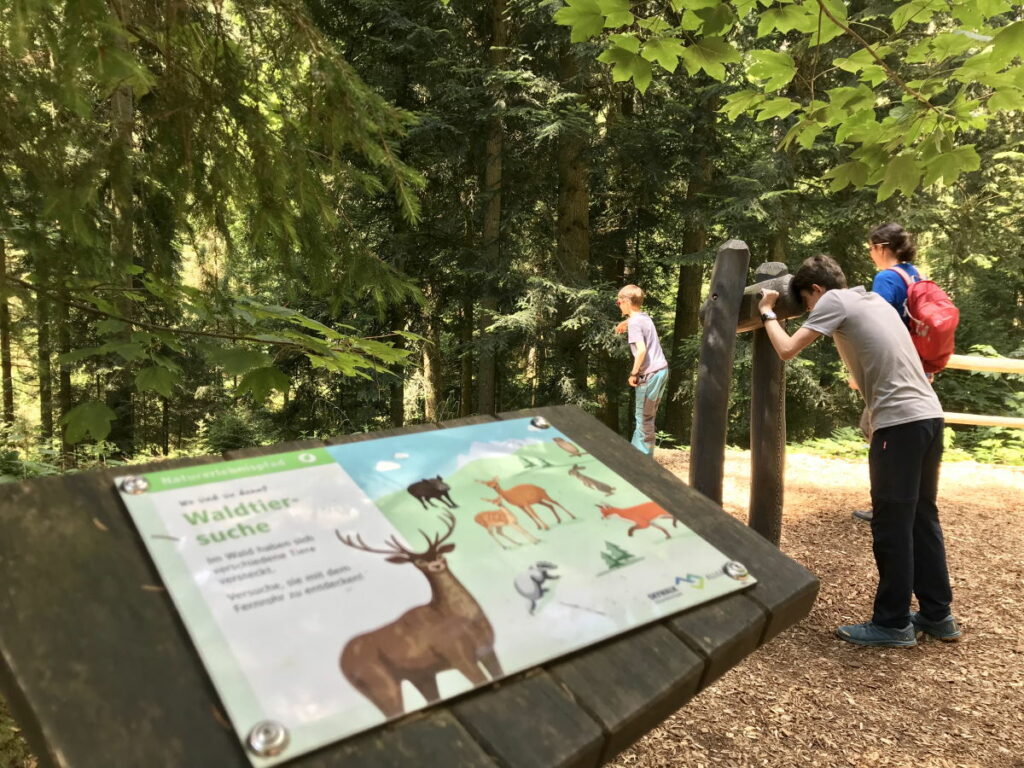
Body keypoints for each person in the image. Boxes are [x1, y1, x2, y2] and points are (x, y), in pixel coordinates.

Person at [757, 255, 959, 648]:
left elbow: (786, 350)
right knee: (921, 517)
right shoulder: (876, 301)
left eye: (808, 304)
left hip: (900, 424)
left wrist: (768, 312)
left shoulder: (834, 301)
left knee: (891, 523)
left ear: (816, 290)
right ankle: (937, 615)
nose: (814, 313)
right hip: (929, 417)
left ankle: (893, 622)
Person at [853, 223, 924, 523]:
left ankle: (884, 505)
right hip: (916, 364)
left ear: (882, 247)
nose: (870, 254)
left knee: (877, 431)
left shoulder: (886, 278)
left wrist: (859, 370)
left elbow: (874, 325)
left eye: (871, 248)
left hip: (889, 369)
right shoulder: (915, 274)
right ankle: (908, 501)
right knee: (901, 435)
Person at [614, 285, 668, 456]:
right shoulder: (643, 317)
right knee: (648, 417)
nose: (619, 305)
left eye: (618, 302)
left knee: (643, 419)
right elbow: (637, 320)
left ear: (626, 302)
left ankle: (640, 463)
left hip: (649, 375)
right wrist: (625, 321)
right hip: (661, 370)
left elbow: (642, 350)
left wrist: (634, 373)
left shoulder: (636, 322)